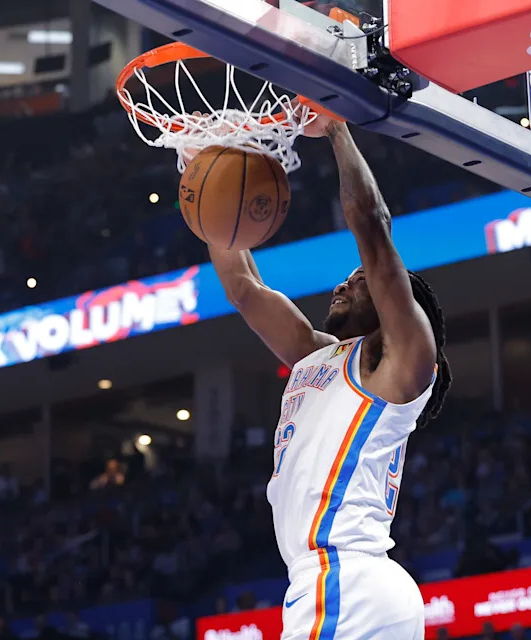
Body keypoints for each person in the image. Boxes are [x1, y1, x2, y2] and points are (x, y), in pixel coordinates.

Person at [206, 117, 451, 638]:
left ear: (393, 308)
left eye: (361, 282)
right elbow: (244, 287)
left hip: (345, 576)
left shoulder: (401, 362)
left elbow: (372, 224)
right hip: (339, 583)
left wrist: (337, 131)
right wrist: (209, 176)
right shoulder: (315, 356)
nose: (345, 281)